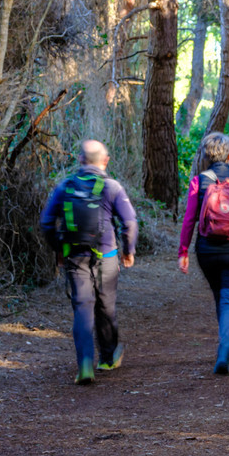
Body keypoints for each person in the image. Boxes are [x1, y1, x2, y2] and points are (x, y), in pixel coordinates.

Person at [40, 140, 138, 385]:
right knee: (106, 308)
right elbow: (130, 222)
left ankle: (85, 363)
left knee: (82, 309)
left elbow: (46, 223)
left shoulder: (65, 187)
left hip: (75, 256)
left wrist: (59, 250)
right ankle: (107, 358)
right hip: (106, 257)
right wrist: (129, 250)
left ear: (81, 160)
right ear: (105, 161)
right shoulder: (112, 187)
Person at [178, 131, 229, 375]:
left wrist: (183, 251)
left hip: (207, 251)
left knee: (220, 296)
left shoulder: (198, 181)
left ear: (205, 156)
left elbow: (189, 219)